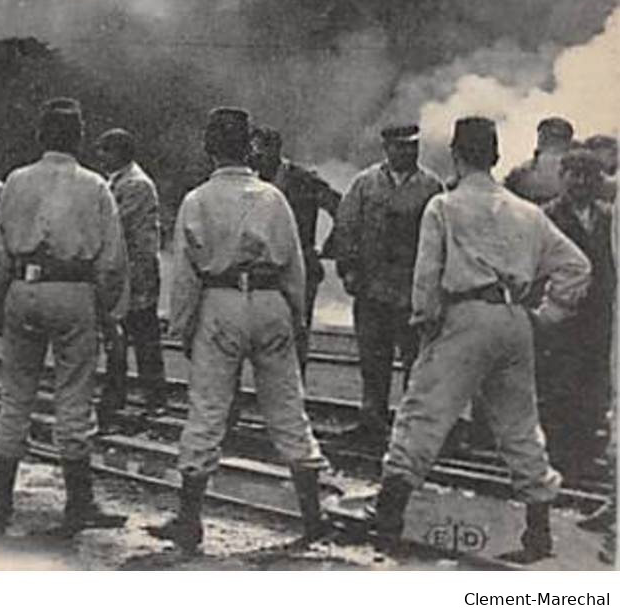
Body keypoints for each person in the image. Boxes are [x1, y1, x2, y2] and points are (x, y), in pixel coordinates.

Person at [372, 117, 592, 563]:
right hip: (514, 319)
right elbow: (577, 267)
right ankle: (538, 534)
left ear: (457, 154)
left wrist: (427, 323)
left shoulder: (444, 207)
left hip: (463, 315)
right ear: (493, 156)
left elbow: (426, 277)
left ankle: (388, 520)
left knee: (423, 416)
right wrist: (547, 316)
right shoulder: (527, 212)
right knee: (520, 425)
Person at [151, 107, 327, 552]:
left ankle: (189, 522)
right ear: (250, 147)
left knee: (208, 409)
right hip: (270, 301)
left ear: (209, 148)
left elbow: (187, 276)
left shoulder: (197, 200)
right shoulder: (273, 198)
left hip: (219, 300)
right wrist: (296, 316)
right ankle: (313, 518)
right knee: (288, 408)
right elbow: (294, 265)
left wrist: (184, 328)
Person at [0, 98, 128, 536]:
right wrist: (108, 312)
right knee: (74, 397)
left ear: (41, 136)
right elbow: (112, 261)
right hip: (74, 290)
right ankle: (79, 503)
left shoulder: (17, 183)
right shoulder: (97, 186)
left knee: (15, 395)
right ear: (79, 138)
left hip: (23, 288)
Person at [332, 124, 444, 441]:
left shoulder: (431, 187)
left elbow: (440, 238)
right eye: (400, 146)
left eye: (412, 146)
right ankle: (372, 419)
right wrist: (348, 270)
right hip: (371, 288)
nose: (407, 152)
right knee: (372, 358)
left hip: (412, 290)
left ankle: (412, 427)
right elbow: (346, 228)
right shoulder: (365, 185)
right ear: (387, 148)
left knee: (416, 361)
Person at [536, 147, 614, 477]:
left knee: (594, 385)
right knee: (558, 386)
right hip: (562, 315)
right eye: (574, 174)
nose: (581, 182)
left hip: (598, 317)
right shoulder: (546, 216)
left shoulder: (609, 216)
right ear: (562, 176)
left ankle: (584, 455)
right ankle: (559, 456)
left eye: (588, 175)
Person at [249, 125, 340, 376]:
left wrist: (330, 246)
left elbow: (338, 207)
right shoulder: (252, 183)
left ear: (276, 150)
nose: (257, 158)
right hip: (265, 270)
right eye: (253, 152)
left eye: (261, 152)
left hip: (302, 267)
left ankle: (295, 393)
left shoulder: (303, 179)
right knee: (265, 337)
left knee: (297, 335)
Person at [91, 127, 166, 419]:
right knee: (120, 336)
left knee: (142, 335)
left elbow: (116, 225)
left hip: (136, 272)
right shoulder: (120, 181)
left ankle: (152, 396)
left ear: (119, 152)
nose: (100, 157)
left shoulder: (135, 184)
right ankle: (119, 394)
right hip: (126, 271)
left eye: (105, 151)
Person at [505, 116, 576, 205]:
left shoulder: (576, 174)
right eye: (543, 136)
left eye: (555, 137)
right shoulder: (522, 172)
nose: (544, 140)